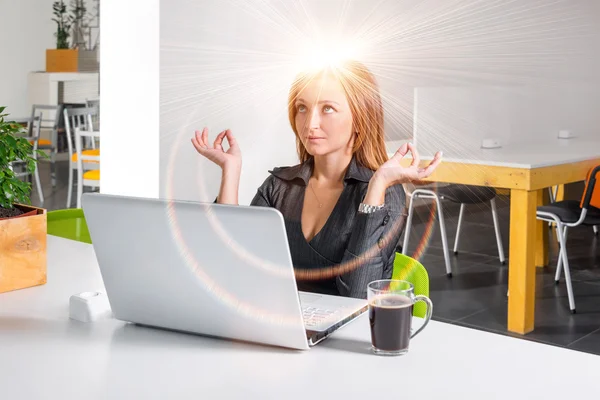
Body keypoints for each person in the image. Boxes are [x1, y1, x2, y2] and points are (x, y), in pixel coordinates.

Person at [191, 60, 442, 299]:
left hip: (346, 338)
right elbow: (231, 265)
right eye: (302, 108)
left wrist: (376, 186)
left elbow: (357, 297)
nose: (310, 123)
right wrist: (230, 171)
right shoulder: (279, 187)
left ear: (360, 117)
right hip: (280, 328)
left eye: (328, 109)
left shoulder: (384, 193)